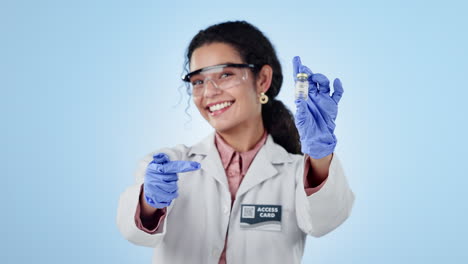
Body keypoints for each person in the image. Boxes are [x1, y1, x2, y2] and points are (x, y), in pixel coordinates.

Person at [117, 20, 355, 264]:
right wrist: (149, 202)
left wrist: (319, 155)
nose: (209, 92)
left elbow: (326, 221)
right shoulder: (170, 166)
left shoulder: (295, 174)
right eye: (198, 81)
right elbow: (134, 233)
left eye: (225, 74)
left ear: (262, 79)